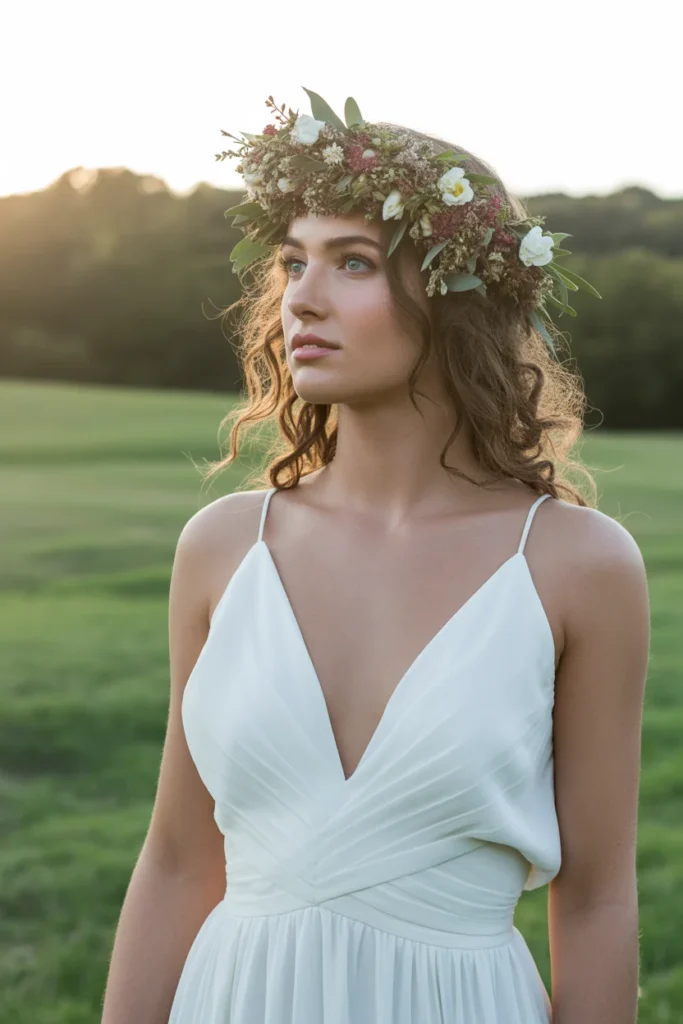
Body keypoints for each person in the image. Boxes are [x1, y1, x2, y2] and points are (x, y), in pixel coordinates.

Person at [101, 90, 650, 1024]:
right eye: (291, 262)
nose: (300, 298)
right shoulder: (225, 548)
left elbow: (595, 897)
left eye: (352, 262)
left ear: (460, 294)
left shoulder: (576, 566)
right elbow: (178, 860)